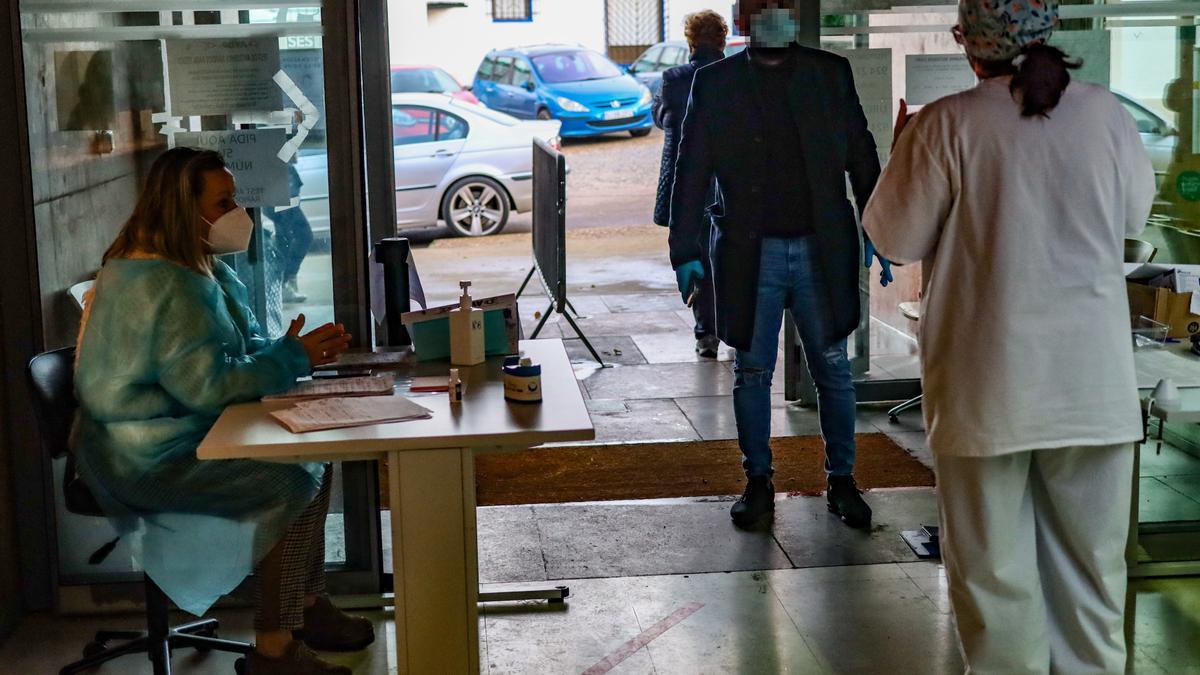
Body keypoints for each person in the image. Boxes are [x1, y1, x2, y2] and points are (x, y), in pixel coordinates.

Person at [862, 0, 1156, 670]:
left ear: (970, 43)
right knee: (1093, 576)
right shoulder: (1106, 115)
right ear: (1048, 33)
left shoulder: (945, 125)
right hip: (1092, 385)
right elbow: (1133, 217)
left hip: (986, 385)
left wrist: (904, 143)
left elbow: (895, 237)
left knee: (994, 578)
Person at [73, 148, 372, 674]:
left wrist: (289, 351)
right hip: (142, 458)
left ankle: (305, 605)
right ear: (185, 210)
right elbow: (209, 386)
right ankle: (274, 650)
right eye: (225, 200)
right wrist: (290, 357)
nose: (240, 213)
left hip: (178, 434)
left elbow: (235, 347)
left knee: (317, 461)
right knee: (291, 482)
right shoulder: (158, 284)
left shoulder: (192, 266)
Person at [670, 0, 893, 531]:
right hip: (752, 249)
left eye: (781, 6)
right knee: (751, 372)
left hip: (821, 245)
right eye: (760, 8)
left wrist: (880, 225)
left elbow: (861, 153)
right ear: (742, 21)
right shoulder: (717, 82)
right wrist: (686, 250)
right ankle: (758, 483)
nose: (773, 15)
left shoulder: (828, 73)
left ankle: (842, 481)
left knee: (833, 369)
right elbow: (692, 165)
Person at [653, 10, 728, 358]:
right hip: (727, 180)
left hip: (687, 180)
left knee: (695, 256)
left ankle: (705, 333)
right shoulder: (733, 74)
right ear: (723, 39)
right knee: (729, 256)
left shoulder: (674, 78)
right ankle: (731, 326)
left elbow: (662, 115)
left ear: (691, 40)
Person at [263, 159, 313, 304]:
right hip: (281, 195)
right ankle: (284, 280)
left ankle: (282, 282)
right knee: (299, 237)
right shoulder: (279, 154)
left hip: (282, 194)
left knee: (287, 239)